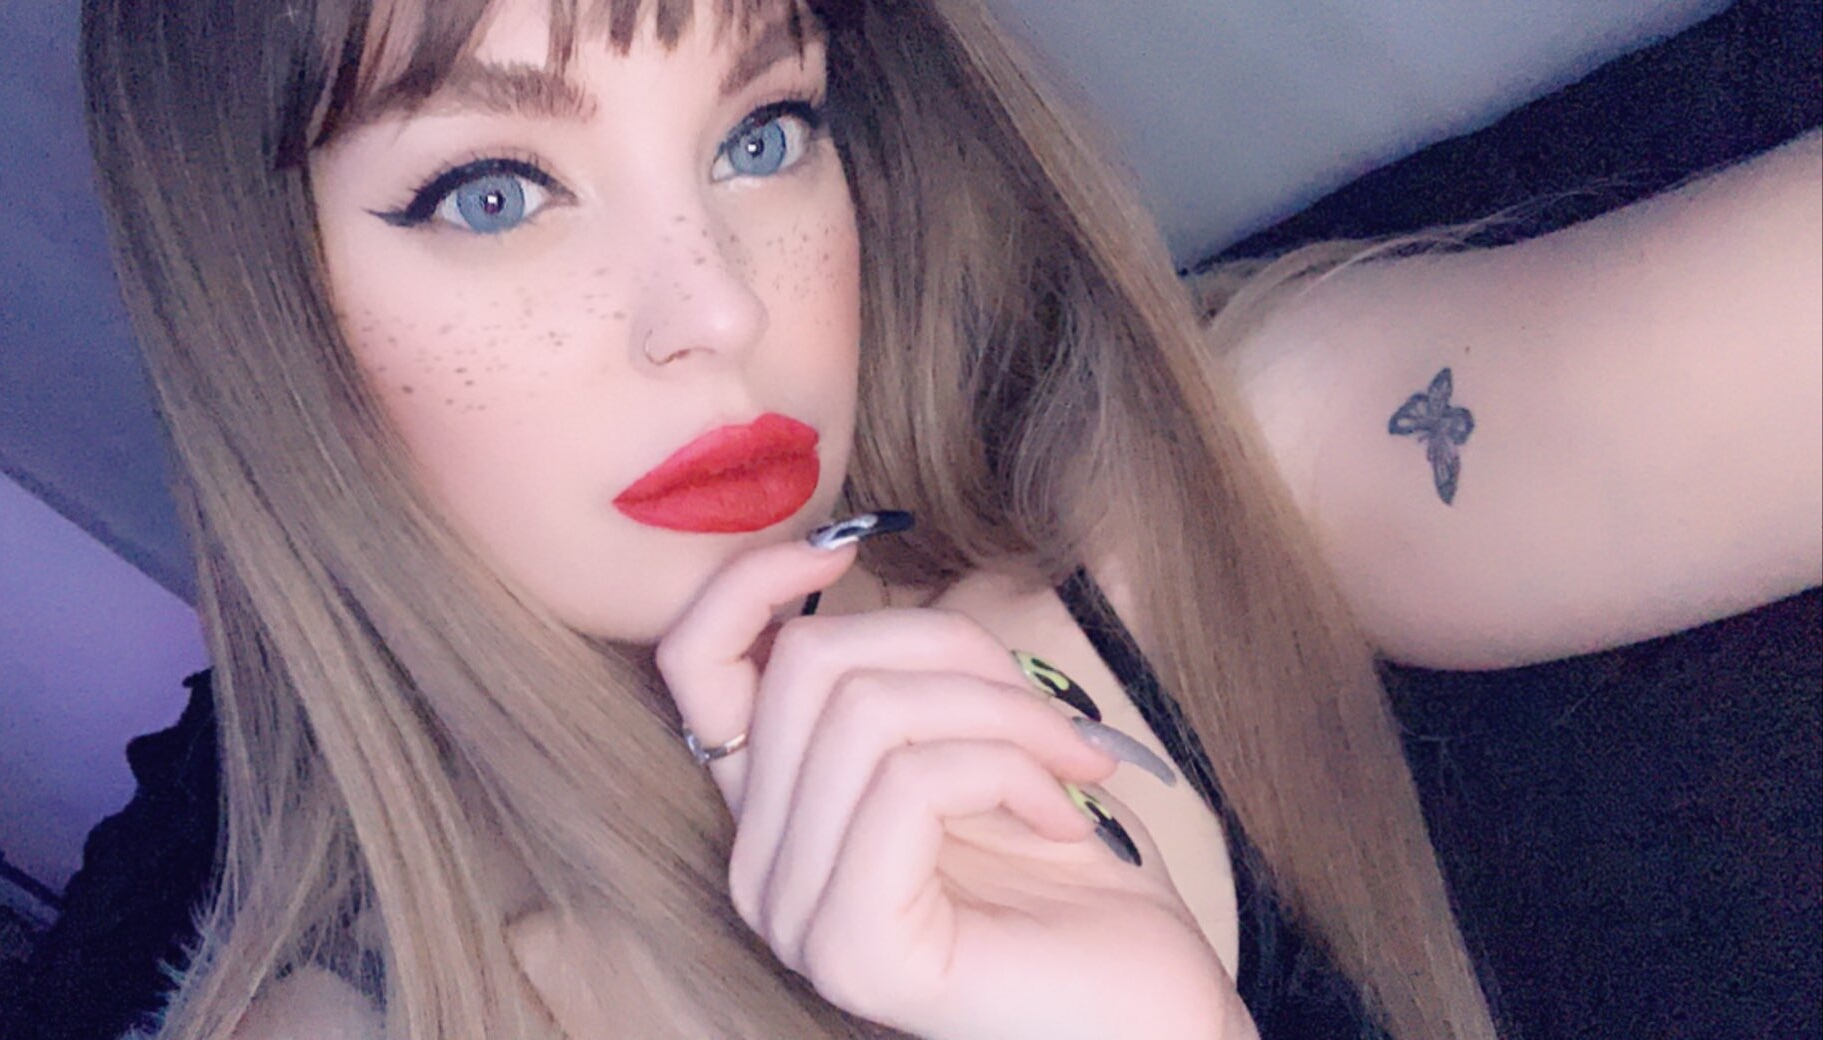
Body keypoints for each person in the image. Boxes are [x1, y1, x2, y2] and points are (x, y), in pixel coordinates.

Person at [75, 0, 1820, 1036]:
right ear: (259, 324)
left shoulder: (1215, 486)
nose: (718, 307)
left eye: (763, 133)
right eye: (492, 189)